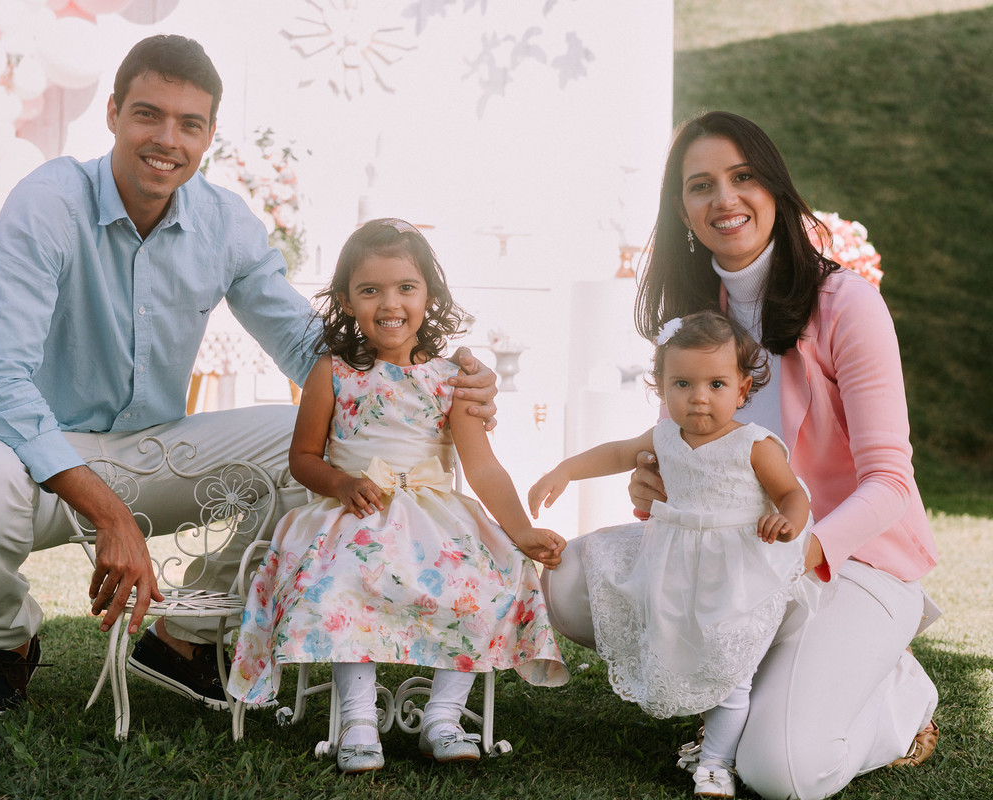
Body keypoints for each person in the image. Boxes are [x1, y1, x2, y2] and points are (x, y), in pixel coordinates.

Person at [0, 35, 497, 717]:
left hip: (158, 450)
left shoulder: (224, 222)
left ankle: (183, 640)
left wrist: (435, 380)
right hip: (39, 457)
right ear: (112, 113)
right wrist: (109, 514)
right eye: (148, 114)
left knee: (312, 443)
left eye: (188, 123)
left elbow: (311, 347)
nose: (167, 139)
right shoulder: (47, 203)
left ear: (209, 135)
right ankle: (6, 642)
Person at [541, 111, 940, 800]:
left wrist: (800, 554)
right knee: (570, 585)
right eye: (702, 185)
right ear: (683, 210)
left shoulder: (847, 304)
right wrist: (656, 480)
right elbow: (692, 448)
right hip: (726, 560)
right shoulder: (696, 318)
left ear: (775, 189)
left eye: (743, 177)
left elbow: (890, 485)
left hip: (841, 564)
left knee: (781, 772)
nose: (724, 198)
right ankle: (749, 678)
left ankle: (897, 696)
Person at [226, 218, 569, 773]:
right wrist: (340, 483)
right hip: (355, 510)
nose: (391, 303)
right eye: (371, 290)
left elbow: (481, 468)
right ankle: (358, 720)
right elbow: (304, 458)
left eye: (406, 287)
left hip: (435, 517)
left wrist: (520, 528)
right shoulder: (332, 372)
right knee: (342, 580)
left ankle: (443, 716)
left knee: (480, 579)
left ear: (428, 295)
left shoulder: (450, 378)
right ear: (346, 300)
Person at [529, 311, 811, 799]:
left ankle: (716, 763)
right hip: (674, 565)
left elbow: (793, 494)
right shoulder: (664, 436)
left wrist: (787, 518)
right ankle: (702, 732)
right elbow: (617, 453)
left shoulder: (753, 445)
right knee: (683, 648)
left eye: (716, 384)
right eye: (682, 383)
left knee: (730, 668)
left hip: (735, 569)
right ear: (660, 386)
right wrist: (564, 471)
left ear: (742, 390)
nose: (699, 396)